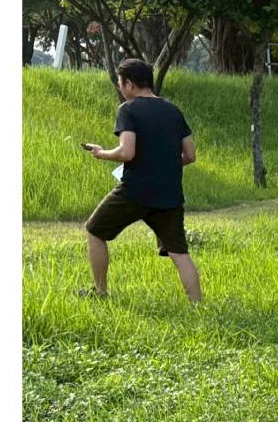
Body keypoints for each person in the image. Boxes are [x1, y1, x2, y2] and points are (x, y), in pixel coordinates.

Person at [80, 59, 199, 302]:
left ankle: (100, 292)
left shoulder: (128, 109)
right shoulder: (173, 110)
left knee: (94, 230)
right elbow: (190, 155)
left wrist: (102, 153)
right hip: (169, 195)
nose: (120, 88)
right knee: (179, 253)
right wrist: (162, 165)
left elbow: (127, 152)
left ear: (129, 84)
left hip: (134, 192)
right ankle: (198, 304)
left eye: (120, 83)